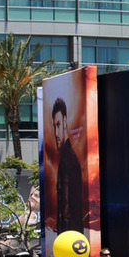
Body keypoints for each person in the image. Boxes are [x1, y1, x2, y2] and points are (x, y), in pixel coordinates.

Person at [52, 97, 83, 233]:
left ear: (65, 122)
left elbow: (65, 208)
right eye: (54, 127)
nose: (56, 134)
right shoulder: (69, 157)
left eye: (58, 125)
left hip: (69, 238)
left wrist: (63, 235)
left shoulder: (67, 160)